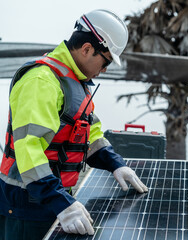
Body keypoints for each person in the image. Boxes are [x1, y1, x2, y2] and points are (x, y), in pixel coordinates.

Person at [0, 9, 148, 240]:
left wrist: (115, 163)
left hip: (54, 199)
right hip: (27, 207)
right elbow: (29, 150)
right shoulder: (41, 81)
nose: (105, 69)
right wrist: (60, 202)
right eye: (106, 61)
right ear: (87, 49)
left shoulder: (75, 83)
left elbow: (90, 134)